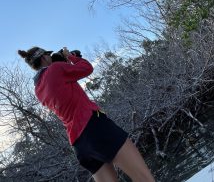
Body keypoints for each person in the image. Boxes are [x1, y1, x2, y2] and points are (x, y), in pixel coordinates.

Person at [18, 46, 155, 182]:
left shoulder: (38, 89)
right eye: (48, 55)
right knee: (144, 178)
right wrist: (71, 57)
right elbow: (87, 68)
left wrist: (62, 63)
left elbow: (61, 87)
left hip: (80, 145)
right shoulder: (55, 69)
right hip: (94, 127)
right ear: (44, 57)